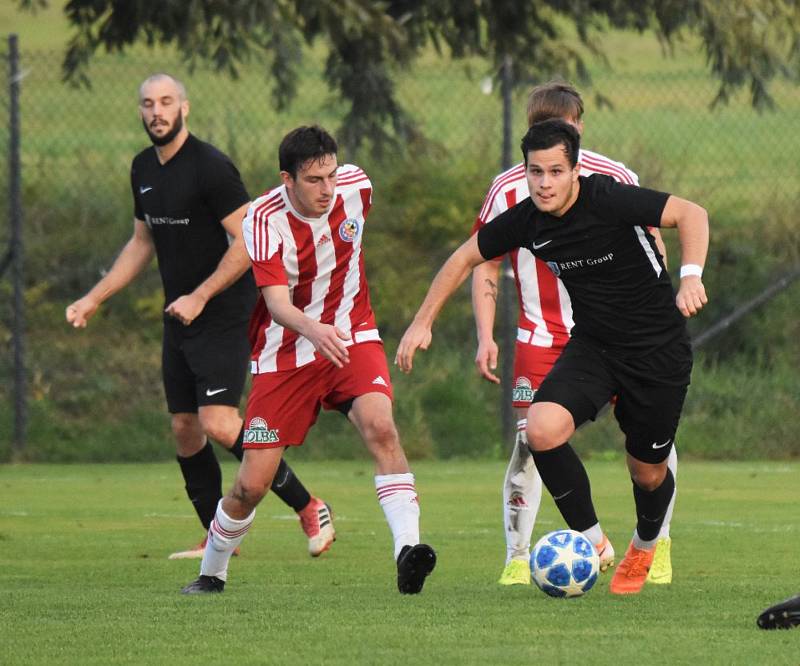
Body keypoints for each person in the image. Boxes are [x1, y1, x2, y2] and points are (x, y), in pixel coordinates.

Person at [397, 119, 708, 595]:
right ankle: (594, 542)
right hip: (594, 348)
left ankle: (644, 544)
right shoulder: (527, 220)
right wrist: (422, 321)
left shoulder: (608, 198)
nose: (544, 183)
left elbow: (692, 213)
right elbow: (464, 257)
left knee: (647, 473)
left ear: (575, 170)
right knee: (539, 430)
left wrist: (690, 277)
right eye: (535, 171)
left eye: (555, 171)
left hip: (657, 351)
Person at [66, 73, 334, 560]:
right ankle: (218, 542)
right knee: (185, 429)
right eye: (147, 103)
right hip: (180, 317)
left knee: (218, 421)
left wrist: (201, 295)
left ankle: (309, 505)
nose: (156, 111)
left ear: (184, 107)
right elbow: (141, 242)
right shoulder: (142, 168)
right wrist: (94, 297)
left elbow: (248, 238)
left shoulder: (210, 167)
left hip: (225, 313)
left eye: (166, 101)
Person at [180, 125, 436, 595]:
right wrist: (314, 329)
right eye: (315, 180)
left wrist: (331, 329)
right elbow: (277, 304)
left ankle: (408, 553)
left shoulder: (357, 188)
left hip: (351, 335)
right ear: (287, 179)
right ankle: (212, 573)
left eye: (331, 176)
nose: (328, 189)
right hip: (286, 352)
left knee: (381, 427)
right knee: (251, 486)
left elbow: (348, 205)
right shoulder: (262, 218)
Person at [470, 81, 678, 586]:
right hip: (542, 333)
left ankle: (657, 544)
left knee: (650, 450)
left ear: (579, 131)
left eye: (569, 129)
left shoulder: (611, 178)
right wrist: (485, 334)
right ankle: (518, 556)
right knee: (531, 439)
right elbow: (483, 262)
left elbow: (656, 243)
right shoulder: (509, 188)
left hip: (615, 333)